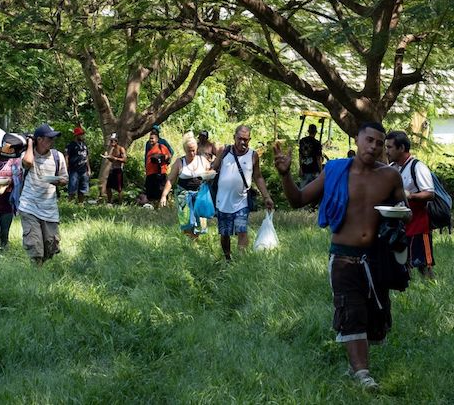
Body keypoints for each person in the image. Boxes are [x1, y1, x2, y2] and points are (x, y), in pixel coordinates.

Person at [273, 121, 407, 390]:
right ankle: (362, 374)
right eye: (369, 140)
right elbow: (298, 200)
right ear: (357, 140)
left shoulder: (390, 176)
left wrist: (402, 219)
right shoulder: (334, 171)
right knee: (351, 311)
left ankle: (354, 364)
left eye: (380, 143)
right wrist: (286, 175)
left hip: (376, 256)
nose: (374, 146)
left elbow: (401, 209)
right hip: (344, 256)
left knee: (373, 317)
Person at [210, 125, 275, 261]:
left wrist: (266, 196)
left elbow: (258, 177)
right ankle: (228, 259)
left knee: (242, 230)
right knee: (225, 233)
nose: (242, 142)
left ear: (249, 140)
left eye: (246, 140)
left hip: (241, 201)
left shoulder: (253, 155)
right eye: (240, 139)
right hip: (223, 201)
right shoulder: (224, 151)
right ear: (234, 137)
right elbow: (213, 168)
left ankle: (241, 262)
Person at [384, 130, 436, 280]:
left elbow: (430, 194)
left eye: (389, 147)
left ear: (401, 148)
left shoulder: (418, 167)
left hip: (418, 224)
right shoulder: (393, 168)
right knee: (402, 262)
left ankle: (431, 288)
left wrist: (410, 195)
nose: (386, 151)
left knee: (423, 264)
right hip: (400, 224)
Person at [20, 124, 68, 265]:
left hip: (49, 208)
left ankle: (41, 269)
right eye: (49, 138)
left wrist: (58, 181)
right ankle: (37, 274)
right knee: (35, 245)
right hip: (29, 206)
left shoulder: (57, 156)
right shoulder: (27, 155)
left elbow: (65, 178)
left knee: (51, 246)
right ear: (39, 139)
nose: (52, 141)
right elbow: (27, 163)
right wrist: (30, 143)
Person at [160, 133, 211, 239]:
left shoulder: (203, 161)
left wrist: (209, 175)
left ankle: (196, 241)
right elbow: (171, 179)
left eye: (193, 150)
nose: (192, 153)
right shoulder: (180, 162)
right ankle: (189, 241)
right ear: (185, 150)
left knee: (200, 222)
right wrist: (164, 195)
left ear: (196, 149)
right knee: (186, 221)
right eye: (189, 151)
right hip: (183, 194)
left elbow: (211, 174)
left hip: (199, 194)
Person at [145, 130, 171, 208]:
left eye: (152, 138)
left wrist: (159, 158)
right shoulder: (150, 150)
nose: (151, 140)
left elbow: (168, 156)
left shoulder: (161, 147)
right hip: (150, 174)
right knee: (150, 193)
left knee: (160, 192)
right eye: (150, 138)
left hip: (159, 173)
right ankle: (153, 207)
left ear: (157, 139)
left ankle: (162, 208)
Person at [65, 126, 92, 204]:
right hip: (74, 170)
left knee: (83, 190)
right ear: (76, 135)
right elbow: (66, 156)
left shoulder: (84, 145)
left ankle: (81, 205)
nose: (82, 136)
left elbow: (86, 157)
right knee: (72, 190)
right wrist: (66, 169)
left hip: (83, 170)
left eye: (82, 134)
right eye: (80, 134)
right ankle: (69, 205)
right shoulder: (71, 145)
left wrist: (89, 169)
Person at [103, 134, 127, 205]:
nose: (111, 143)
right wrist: (108, 157)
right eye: (111, 141)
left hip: (118, 170)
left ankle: (120, 203)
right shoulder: (113, 149)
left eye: (113, 141)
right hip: (112, 170)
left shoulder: (121, 149)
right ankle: (109, 202)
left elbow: (125, 160)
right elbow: (112, 160)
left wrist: (115, 158)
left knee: (119, 188)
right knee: (108, 187)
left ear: (116, 141)